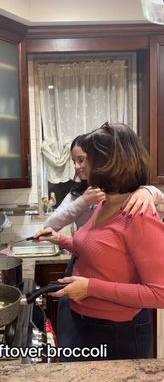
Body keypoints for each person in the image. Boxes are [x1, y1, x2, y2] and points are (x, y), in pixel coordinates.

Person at [36, 123, 164, 361]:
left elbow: (160, 293)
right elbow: (97, 251)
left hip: (118, 332)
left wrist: (90, 287)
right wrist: (61, 239)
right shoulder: (106, 202)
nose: (80, 166)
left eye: (87, 159)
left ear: (108, 162)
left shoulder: (138, 213)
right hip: (86, 321)